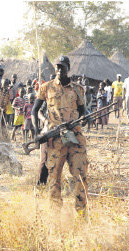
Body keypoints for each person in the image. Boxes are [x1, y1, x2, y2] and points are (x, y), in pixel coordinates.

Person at [32, 55, 88, 215]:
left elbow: (83, 112)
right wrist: (37, 132)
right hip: (55, 140)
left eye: (62, 67)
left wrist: (83, 119)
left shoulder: (78, 89)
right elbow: (34, 110)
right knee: (54, 179)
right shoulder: (46, 87)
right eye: (57, 67)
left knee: (80, 177)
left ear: (68, 68)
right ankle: (55, 216)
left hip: (75, 138)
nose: (59, 70)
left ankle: (81, 215)